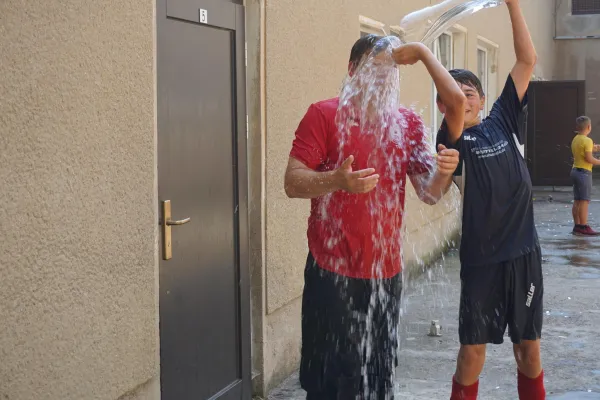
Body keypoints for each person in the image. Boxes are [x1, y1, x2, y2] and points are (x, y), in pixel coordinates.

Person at [284, 34, 466, 399]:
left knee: (378, 378)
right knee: (329, 384)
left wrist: (444, 171)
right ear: (352, 71)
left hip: (385, 275)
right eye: (375, 69)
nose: (384, 79)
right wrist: (336, 180)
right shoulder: (324, 114)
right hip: (331, 272)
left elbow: (429, 193)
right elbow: (292, 181)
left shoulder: (406, 123)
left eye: (391, 72)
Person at [435, 0, 545, 399]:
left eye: (470, 93)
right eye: (455, 95)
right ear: (445, 106)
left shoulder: (503, 118)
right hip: (481, 260)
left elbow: (527, 59)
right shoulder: (451, 140)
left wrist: (513, 5)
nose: (464, 100)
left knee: (528, 351)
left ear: (481, 99)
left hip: (522, 255)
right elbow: (438, 187)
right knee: (471, 355)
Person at [570, 116, 600, 236]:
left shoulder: (576, 139)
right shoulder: (587, 141)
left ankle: (577, 226)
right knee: (584, 201)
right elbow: (589, 159)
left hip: (575, 171)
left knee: (577, 200)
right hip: (584, 173)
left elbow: (584, 150)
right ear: (589, 127)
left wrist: (595, 147)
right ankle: (583, 226)